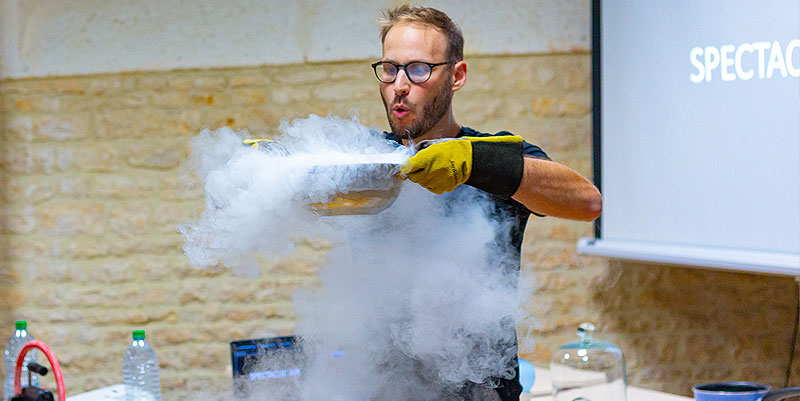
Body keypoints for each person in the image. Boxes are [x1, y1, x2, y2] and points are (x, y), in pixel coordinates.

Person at [373, 5, 602, 400]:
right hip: (379, 387)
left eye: (418, 69)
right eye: (390, 69)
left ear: (456, 76)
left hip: (483, 389)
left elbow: (587, 202)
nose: (400, 85)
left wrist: (475, 161)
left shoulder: (491, 156)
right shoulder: (368, 159)